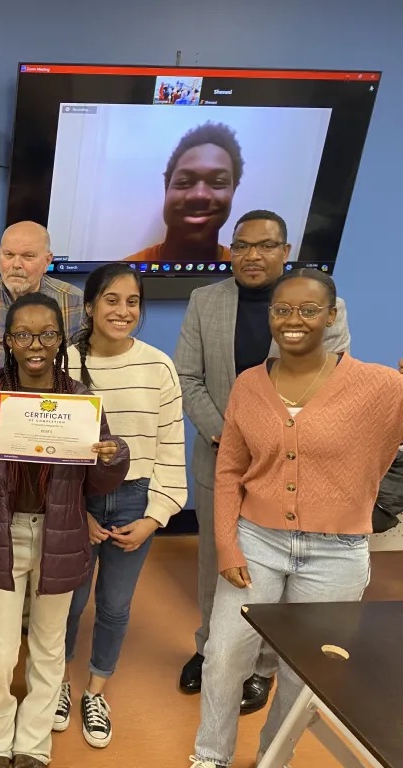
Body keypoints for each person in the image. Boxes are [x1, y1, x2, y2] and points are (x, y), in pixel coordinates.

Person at [189, 269, 403, 768]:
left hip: (337, 552)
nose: (293, 320)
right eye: (282, 309)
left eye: (309, 310)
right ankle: (210, 756)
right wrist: (227, 543)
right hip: (256, 541)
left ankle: (273, 756)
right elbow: (230, 470)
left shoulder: (380, 386)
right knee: (222, 655)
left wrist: (382, 508)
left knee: (304, 672)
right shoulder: (249, 384)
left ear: (331, 317)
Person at [174, 209, 351, 714]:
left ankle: (263, 667)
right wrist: (227, 436)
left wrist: (268, 441)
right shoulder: (204, 300)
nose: (253, 255)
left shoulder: (321, 305)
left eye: (266, 245)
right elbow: (187, 378)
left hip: (290, 469)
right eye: (242, 245)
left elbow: (330, 386)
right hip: (218, 456)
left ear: (286, 251)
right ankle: (210, 649)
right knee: (217, 561)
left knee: (277, 570)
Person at [0, 292, 130, 768]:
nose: (36, 344)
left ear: (60, 339)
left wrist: (114, 457)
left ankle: (32, 742)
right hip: (1, 535)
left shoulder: (80, 399)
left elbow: (97, 479)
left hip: (61, 535)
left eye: (47, 334)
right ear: (8, 340)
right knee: (0, 649)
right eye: (24, 334)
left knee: (50, 648)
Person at [59, 264, 187, 749]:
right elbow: (53, 449)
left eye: (132, 302)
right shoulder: (64, 363)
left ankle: (96, 688)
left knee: (114, 606)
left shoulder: (158, 366)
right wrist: (77, 510)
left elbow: (171, 447)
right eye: (111, 300)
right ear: (90, 306)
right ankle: (57, 687)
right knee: (66, 602)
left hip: (137, 498)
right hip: (77, 499)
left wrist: (155, 517)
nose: (123, 310)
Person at [0, 220, 83, 653]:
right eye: (8, 254)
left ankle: (35, 620)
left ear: (48, 259)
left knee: (46, 536)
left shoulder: (73, 303)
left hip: (54, 438)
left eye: (28, 256)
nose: (16, 264)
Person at [125, 122, 243, 263]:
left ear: (233, 192)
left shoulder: (247, 273)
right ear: (166, 189)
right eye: (183, 182)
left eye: (217, 182)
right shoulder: (121, 276)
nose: (199, 195)